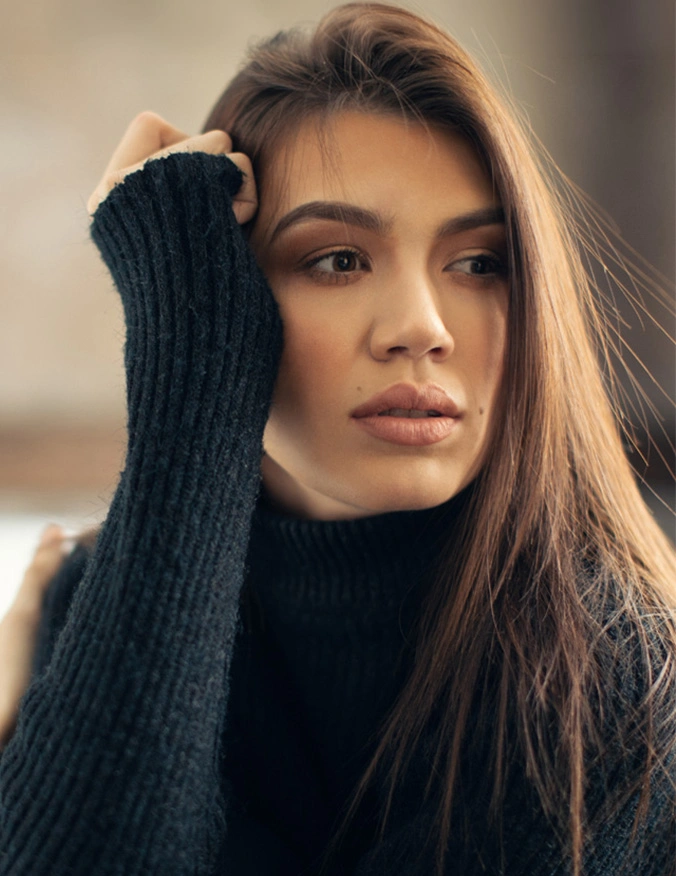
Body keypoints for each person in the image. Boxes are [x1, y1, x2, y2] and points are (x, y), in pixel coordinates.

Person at [0, 3, 674, 874]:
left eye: (480, 264)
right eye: (336, 260)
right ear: (228, 291)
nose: (421, 328)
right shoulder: (100, 604)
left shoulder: (619, 674)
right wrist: (191, 360)